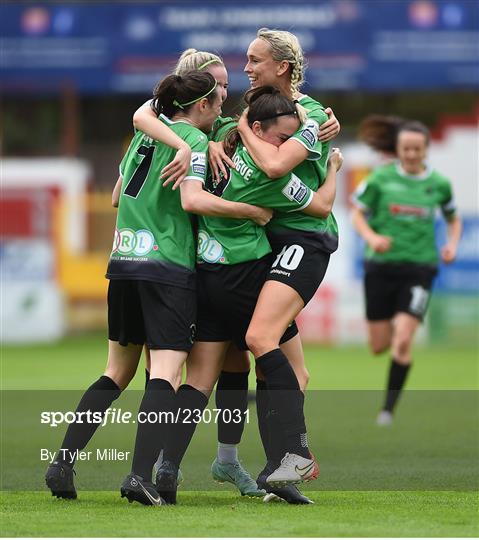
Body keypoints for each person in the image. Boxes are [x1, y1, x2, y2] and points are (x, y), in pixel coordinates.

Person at [45, 71, 271, 505]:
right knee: (166, 373)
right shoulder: (197, 142)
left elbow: (115, 197)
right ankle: (138, 476)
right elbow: (192, 200)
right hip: (167, 266)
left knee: (116, 372)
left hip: (124, 260)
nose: (222, 108)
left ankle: (62, 463)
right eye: (217, 102)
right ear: (201, 105)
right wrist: (251, 211)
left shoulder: (142, 137)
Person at [132, 46, 341, 504]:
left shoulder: (213, 145)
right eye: (281, 136)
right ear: (263, 130)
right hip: (249, 275)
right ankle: (289, 457)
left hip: (207, 274)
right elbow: (319, 204)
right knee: (287, 366)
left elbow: (181, 190)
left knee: (202, 379)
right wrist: (333, 172)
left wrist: (210, 137)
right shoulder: (270, 173)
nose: (285, 146)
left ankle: (167, 470)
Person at [351, 115, 462, 426]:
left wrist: (451, 244)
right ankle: (388, 395)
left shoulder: (438, 184)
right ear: (398, 150)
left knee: (402, 339)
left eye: (417, 149)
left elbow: (454, 219)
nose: (412, 154)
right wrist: (372, 237)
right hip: (380, 268)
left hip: (419, 268)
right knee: (378, 345)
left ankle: (387, 410)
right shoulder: (380, 179)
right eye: (406, 148)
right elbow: (357, 214)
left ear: (426, 150)